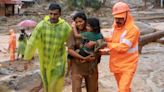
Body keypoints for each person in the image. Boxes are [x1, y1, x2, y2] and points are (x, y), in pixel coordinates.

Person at [24, 3, 72, 92]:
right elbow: (32, 41)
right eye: (51, 13)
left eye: (55, 14)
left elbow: (71, 42)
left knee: (55, 84)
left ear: (60, 14)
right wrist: (27, 58)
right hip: (45, 62)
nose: (52, 16)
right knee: (46, 85)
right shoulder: (42, 25)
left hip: (59, 61)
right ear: (48, 13)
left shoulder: (65, 27)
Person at [104, 2, 140, 92]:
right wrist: (103, 39)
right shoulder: (114, 27)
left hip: (128, 65)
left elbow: (123, 47)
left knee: (123, 89)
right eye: (116, 18)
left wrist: (107, 44)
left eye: (120, 18)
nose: (118, 21)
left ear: (127, 16)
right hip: (116, 63)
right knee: (124, 88)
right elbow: (113, 40)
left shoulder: (133, 30)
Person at [67, 12, 102, 92]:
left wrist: (95, 52)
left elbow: (101, 44)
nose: (79, 24)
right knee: (76, 89)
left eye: (81, 21)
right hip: (77, 66)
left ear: (86, 21)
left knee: (93, 89)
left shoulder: (93, 32)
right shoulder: (72, 33)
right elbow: (70, 50)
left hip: (91, 67)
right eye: (76, 22)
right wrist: (83, 57)